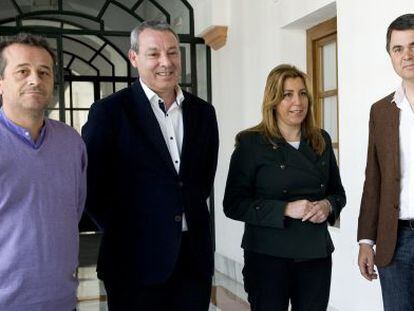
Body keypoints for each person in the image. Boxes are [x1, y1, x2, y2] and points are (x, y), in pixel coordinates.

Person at [82, 20, 219, 310]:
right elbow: (92, 188)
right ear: (134, 58)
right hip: (133, 262)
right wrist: (129, 232)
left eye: (172, 52)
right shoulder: (109, 113)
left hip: (193, 259)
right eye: (154, 54)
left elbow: (201, 182)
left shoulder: (203, 113)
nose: (165, 62)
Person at [223, 64, 346, 311]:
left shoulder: (320, 139)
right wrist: (285, 209)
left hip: (314, 254)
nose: (297, 102)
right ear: (273, 101)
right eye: (287, 95)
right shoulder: (251, 143)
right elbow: (233, 204)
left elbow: (338, 193)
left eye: (302, 93)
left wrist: (327, 205)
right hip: (267, 256)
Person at [0, 33, 87, 310]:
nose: (35, 80)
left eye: (44, 72)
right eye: (22, 71)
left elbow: (75, 210)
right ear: (1, 82)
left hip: (62, 301)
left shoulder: (71, 142)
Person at [357, 13, 414, 311]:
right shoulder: (381, 111)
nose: (408, 55)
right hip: (396, 240)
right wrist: (366, 240)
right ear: (390, 55)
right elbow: (374, 180)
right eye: (399, 48)